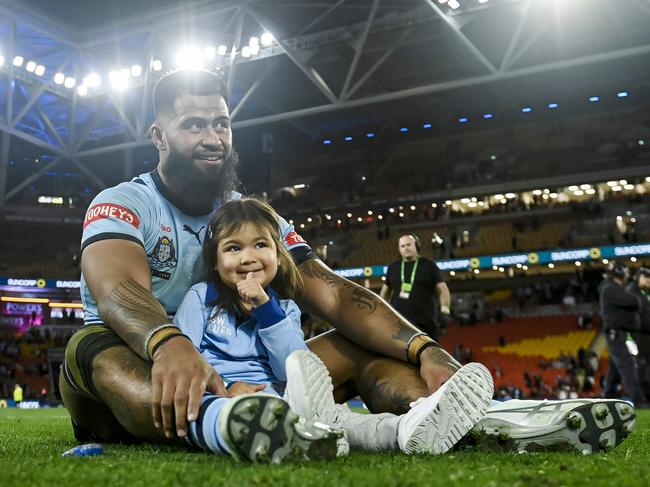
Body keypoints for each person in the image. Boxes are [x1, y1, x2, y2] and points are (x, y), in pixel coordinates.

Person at [59, 69, 633, 458]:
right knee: (90, 349)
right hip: (145, 359)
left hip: (254, 365)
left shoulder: (251, 223)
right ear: (158, 135)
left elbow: (334, 294)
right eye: (194, 125)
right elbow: (115, 290)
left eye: (222, 123)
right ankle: (226, 427)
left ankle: (457, 422)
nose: (214, 138)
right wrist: (167, 342)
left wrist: (425, 350)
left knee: (364, 343)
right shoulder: (123, 203)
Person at [174, 197, 493, 459]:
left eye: (260, 245)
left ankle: (405, 431)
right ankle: (239, 427)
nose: (248, 258)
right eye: (233, 248)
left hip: (278, 399)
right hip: (218, 396)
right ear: (214, 262)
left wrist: (266, 311)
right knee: (204, 413)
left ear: (278, 255)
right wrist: (225, 391)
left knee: (338, 418)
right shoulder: (200, 298)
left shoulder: (283, 306)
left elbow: (295, 367)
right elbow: (184, 358)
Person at [380, 234, 451, 340]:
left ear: (417, 246)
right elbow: (384, 293)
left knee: (428, 355)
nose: (406, 248)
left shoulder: (429, 265)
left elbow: (443, 290)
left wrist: (445, 309)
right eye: (402, 246)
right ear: (399, 249)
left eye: (409, 244)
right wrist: (382, 311)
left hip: (426, 324)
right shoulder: (393, 267)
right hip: (400, 324)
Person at [599, 261, 646, 404]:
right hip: (617, 334)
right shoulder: (611, 288)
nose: (627, 274)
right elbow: (634, 301)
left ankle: (608, 397)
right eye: (625, 271)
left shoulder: (615, 288)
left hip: (620, 334)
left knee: (615, 368)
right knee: (627, 366)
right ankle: (639, 401)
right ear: (619, 271)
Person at [626, 267, 650, 398]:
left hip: (645, 334)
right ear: (640, 277)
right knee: (643, 365)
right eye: (647, 278)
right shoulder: (632, 293)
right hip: (639, 335)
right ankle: (644, 395)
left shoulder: (643, 292)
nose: (649, 281)